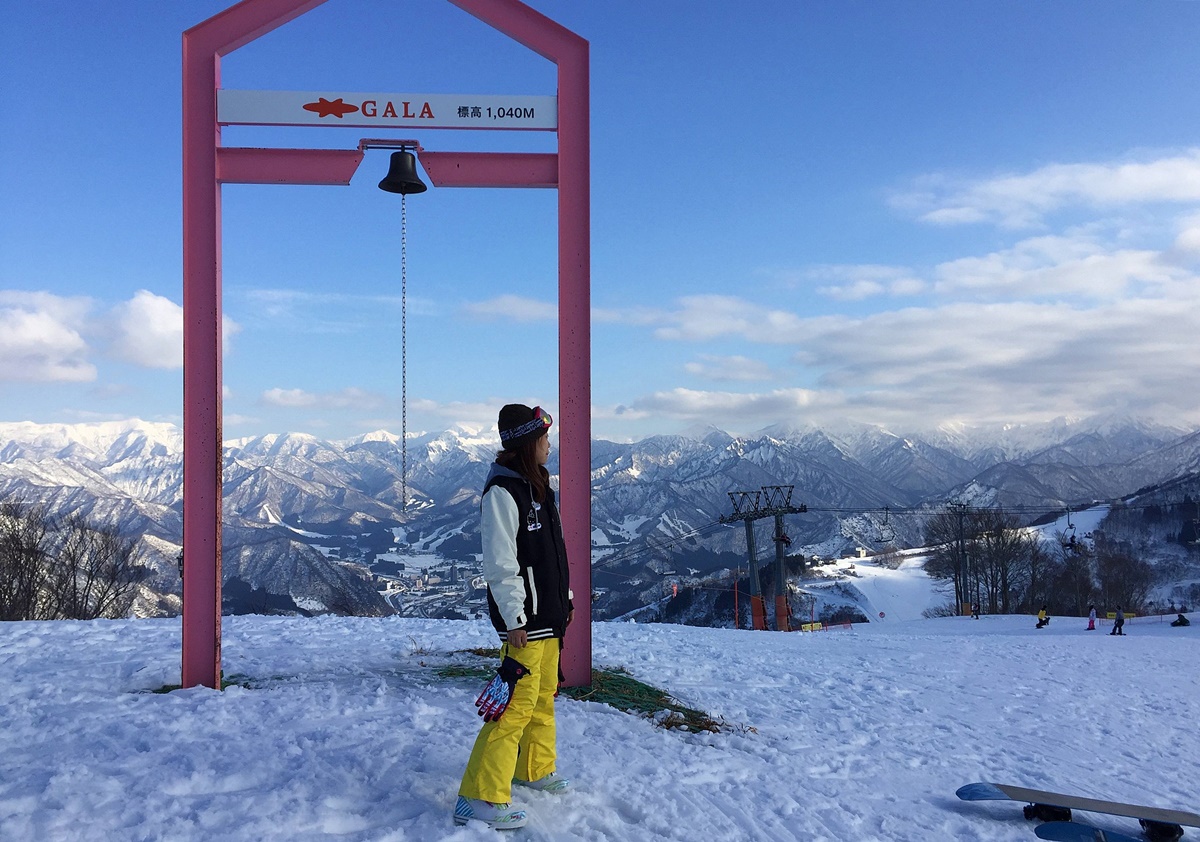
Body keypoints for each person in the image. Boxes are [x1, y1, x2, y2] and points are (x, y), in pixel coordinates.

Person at [454, 404, 574, 830]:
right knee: (513, 709)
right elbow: (502, 563)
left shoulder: (538, 486)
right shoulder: (504, 492)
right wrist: (515, 619)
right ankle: (479, 796)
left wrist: (565, 600)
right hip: (526, 622)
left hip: (548, 616)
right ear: (527, 443)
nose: (548, 445)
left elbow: (551, 556)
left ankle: (533, 770)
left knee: (543, 700)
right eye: (543, 438)